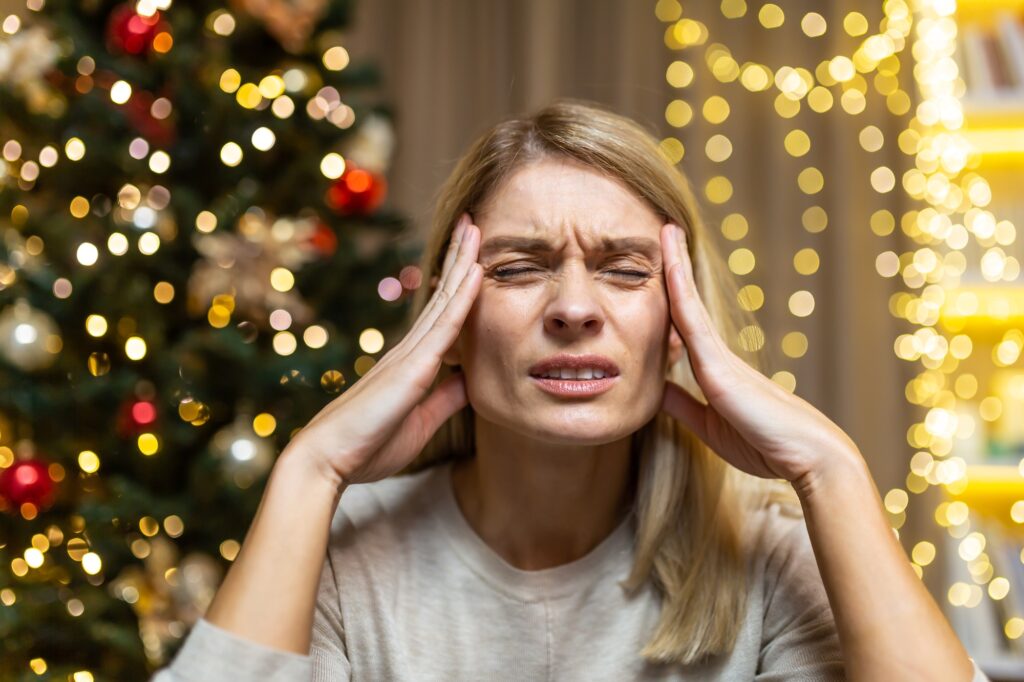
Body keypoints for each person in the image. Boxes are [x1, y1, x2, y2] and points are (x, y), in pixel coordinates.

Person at [151, 100, 989, 681]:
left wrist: (832, 472)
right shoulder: (343, 551)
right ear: (452, 315)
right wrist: (310, 471)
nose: (576, 309)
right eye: (519, 269)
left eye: (626, 271)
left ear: (678, 319)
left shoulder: (767, 551)